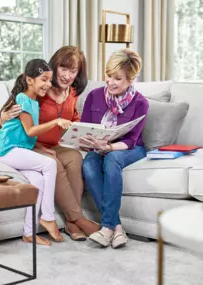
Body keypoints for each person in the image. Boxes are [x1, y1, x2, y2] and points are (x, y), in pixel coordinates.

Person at [0, 46, 100, 241]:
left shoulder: (72, 93)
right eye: (64, 69)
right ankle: (78, 218)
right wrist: (2, 117)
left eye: (73, 71)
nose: (68, 76)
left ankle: (71, 222)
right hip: (33, 145)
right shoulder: (40, 88)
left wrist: (84, 134)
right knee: (56, 164)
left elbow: (73, 118)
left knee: (75, 157)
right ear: (55, 67)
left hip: (56, 144)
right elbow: (11, 119)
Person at [0, 59, 72, 246]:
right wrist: (56, 121)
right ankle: (48, 216)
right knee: (50, 164)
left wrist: (40, 148)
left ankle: (28, 233)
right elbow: (29, 131)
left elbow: (24, 136)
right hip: (6, 150)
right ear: (29, 80)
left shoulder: (34, 103)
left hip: (17, 149)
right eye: (44, 79)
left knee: (38, 180)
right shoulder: (22, 99)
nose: (48, 84)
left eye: (50, 80)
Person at [80, 49, 149, 248]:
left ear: (131, 79)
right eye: (108, 75)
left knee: (113, 159)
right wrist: (90, 142)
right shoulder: (93, 96)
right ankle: (116, 227)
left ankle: (107, 227)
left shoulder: (141, 103)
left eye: (117, 78)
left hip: (131, 149)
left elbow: (131, 140)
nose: (110, 82)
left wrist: (109, 147)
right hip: (99, 148)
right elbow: (85, 129)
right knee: (89, 164)